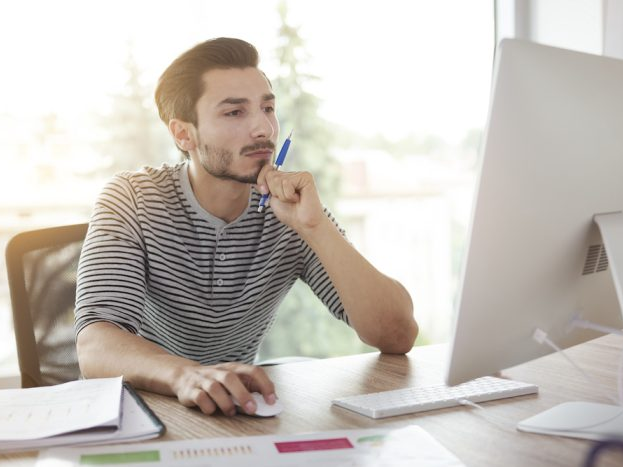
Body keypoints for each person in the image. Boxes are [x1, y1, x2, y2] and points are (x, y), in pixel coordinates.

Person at [74, 37, 417, 417]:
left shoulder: (292, 210)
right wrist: (188, 376)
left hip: (233, 414)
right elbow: (96, 343)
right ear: (183, 134)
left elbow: (397, 334)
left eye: (268, 107)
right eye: (235, 113)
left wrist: (316, 228)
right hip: (146, 412)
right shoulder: (132, 198)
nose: (263, 128)